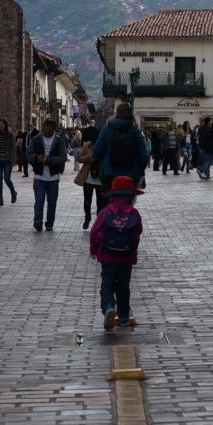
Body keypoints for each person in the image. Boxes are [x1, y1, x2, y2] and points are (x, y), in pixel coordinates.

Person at [89, 174, 143, 330]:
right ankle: (124, 317)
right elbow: (138, 233)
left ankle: (108, 308)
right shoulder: (134, 214)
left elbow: (94, 232)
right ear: (132, 196)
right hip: (126, 258)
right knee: (123, 287)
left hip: (107, 256)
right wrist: (133, 254)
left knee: (107, 284)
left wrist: (93, 248)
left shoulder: (106, 212)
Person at [93, 103, 148, 191]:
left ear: (117, 113)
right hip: (131, 174)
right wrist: (140, 171)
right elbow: (143, 156)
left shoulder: (107, 130)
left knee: (109, 202)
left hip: (110, 173)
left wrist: (104, 164)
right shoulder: (136, 131)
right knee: (127, 201)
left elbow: (97, 151)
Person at [27, 116, 67, 230]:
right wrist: (36, 158)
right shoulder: (36, 139)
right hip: (39, 176)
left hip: (53, 177)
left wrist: (49, 160)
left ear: (53, 129)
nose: (47, 130)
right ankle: (38, 221)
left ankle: (49, 223)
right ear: (43, 126)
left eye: (50, 128)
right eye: (46, 127)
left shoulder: (59, 141)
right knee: (39, 200)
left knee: (52, 202)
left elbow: (63, 158)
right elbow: (28, 154)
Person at [77, 124, 104, 229]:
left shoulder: (103, 146)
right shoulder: (87, 145)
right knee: (87, 201)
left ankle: (98, 222)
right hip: (88, 178)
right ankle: (87, 218)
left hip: (99, 179)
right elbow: (79, 158)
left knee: (100, 203)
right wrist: (89, 157)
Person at [0, 118, 17, 206]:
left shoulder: (10, 135)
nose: (0, 125)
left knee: (6, 178)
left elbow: (13, 149)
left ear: (5, 125)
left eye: (2, 124)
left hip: (7, 160)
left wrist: (13, 160)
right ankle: (0, 199)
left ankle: (13, 192)